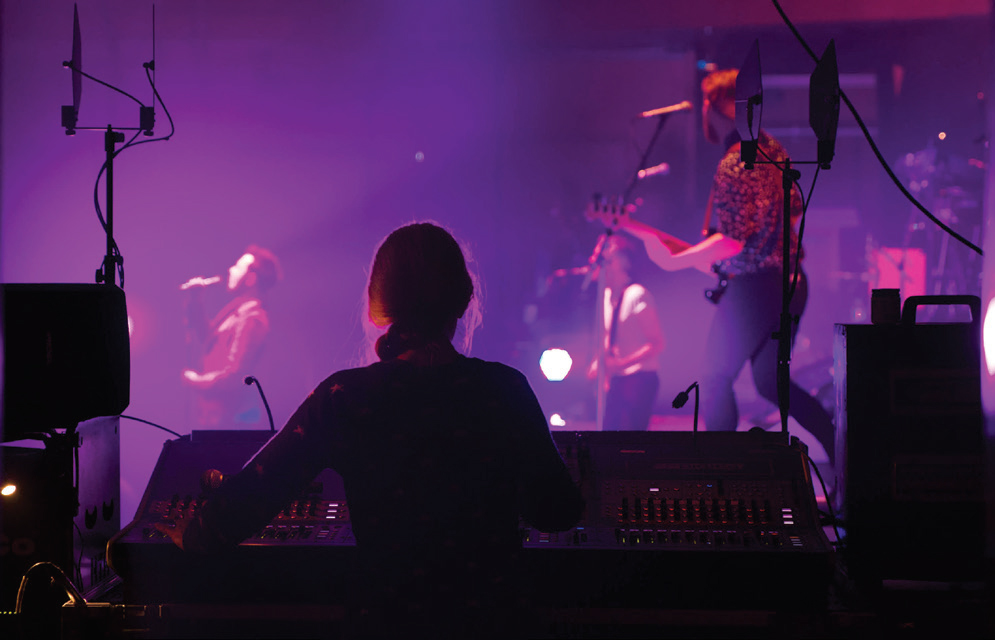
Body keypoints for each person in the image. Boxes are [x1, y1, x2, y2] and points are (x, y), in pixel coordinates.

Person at [160, 222, 585, 639]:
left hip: (388, 622)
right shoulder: (505, 389)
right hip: (494, 624)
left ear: (375, 305)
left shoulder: (345, 396)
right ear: (464, 300)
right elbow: (559, 512)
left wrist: (194, 532)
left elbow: (251, 496)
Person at [611, 68, 834, 461]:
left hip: (756, 287)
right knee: (771, 383)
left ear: (715, 107)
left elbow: (732, 241)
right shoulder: (774, 150)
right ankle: (843, 455)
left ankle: (723, 471)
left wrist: (677, 261)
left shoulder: (734, 164)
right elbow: (794, 208)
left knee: (715, 378)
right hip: (792, 283)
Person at [181, 245, 281, 428]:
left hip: (228, 422)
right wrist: (196, 301)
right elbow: (210, 340)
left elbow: (234, 377)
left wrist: (195, 381)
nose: (231, 269)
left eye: (238, 266)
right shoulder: (239, 312)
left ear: (250, 278)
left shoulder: (252, 319)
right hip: (215, 418)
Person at [587, 234, 665, 430]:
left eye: (607, 259)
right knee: (609, 434)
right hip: (617, 379)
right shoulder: (606, 296)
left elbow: (657, 343)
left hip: (640, 378)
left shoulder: (637, 295)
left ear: (618, 262)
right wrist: (599, 363)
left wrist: (621, 364)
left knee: (631, 437)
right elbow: (608, 337)